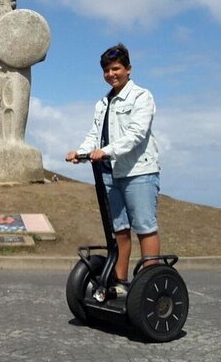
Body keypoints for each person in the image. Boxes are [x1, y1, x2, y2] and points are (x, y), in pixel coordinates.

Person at [65, 43, 161, 296]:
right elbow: (95, 134)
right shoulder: (102, 103)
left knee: (144, 227)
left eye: (116, 68)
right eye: (107, 70)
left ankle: (150, 284)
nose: (111, 74)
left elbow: (136, 135)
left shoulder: (141, 96)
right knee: (119, 229)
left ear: (128, 69)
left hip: (138, 171)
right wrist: (81, 152)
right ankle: (121, 283)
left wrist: (106, 151)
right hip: (110, 173)